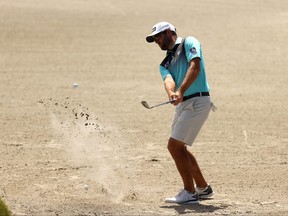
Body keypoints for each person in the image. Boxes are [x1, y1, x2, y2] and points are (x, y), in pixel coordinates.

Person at [145, 21, 215, 204]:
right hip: (184, 104)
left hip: (198, 101)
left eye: (158, 37)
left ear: (169, 32)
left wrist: (181, 91)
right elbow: (168, 79)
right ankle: (203, 188)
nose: (157, 42)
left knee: (173, 146)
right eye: (154, 39)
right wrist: (172, 94)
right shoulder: (164, 62)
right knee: (180, 147)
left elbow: (195, 67)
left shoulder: (189, 42)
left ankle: (189, 193)